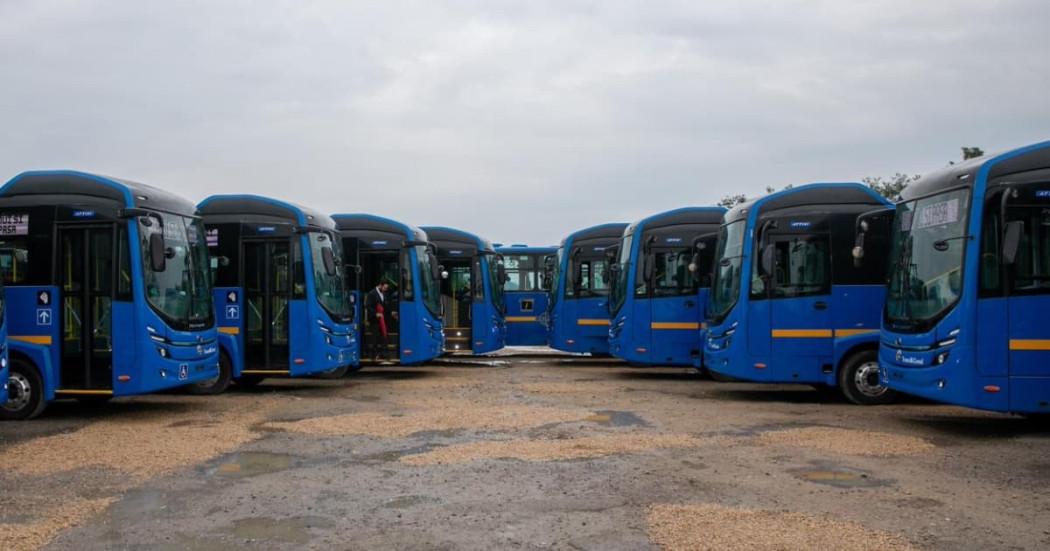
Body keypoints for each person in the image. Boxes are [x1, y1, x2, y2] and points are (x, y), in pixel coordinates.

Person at [364, 279, 398, 361]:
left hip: (383, 319)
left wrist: (391, 313)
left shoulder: (384, 294)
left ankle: (383, 354)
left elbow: (385, 306)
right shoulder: (372, 293)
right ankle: (373, 356)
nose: (385, 290)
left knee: (383, 336)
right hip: (374, 320)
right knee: (375, 338)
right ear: (380, 285)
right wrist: (375, 313)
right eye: (385, 288)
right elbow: (368, 306)